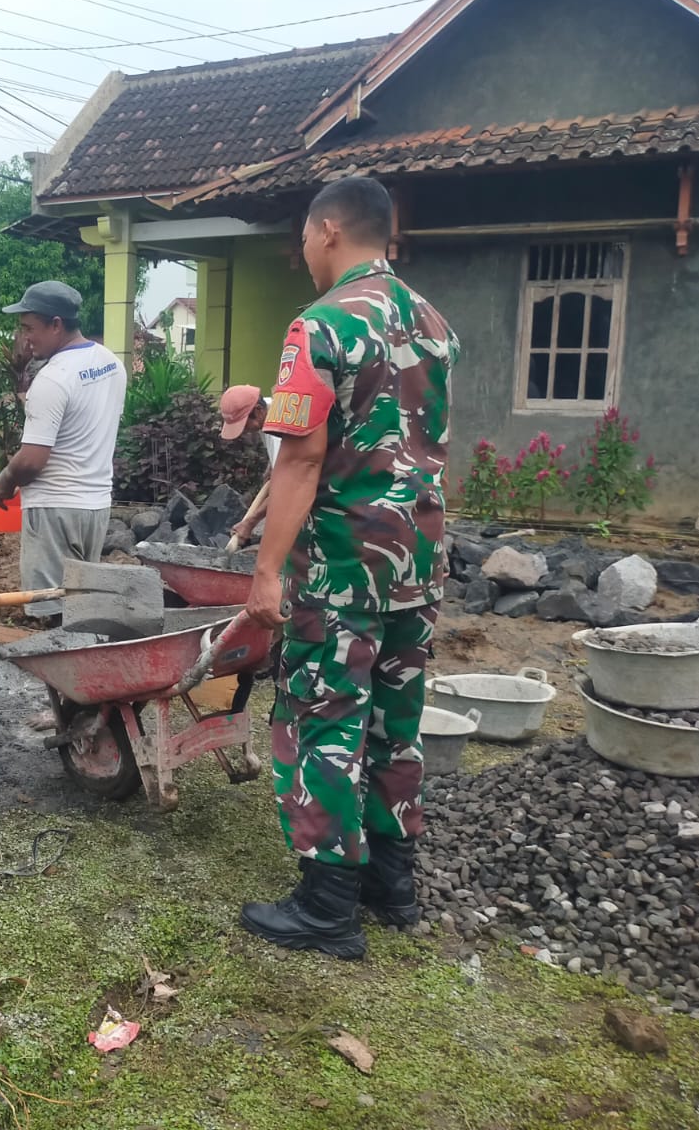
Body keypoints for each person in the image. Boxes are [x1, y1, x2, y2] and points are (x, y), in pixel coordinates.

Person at [239, 175, 459, 959]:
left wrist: (267, 571)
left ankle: (328, 904)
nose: (301, 253)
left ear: (329, 229)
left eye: (302, 237)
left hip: (342, 565)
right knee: (396, 722)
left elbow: (300, 457)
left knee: (325, 715)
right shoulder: (433, 321)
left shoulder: (321, 326)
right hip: (420, 558)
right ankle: (391, 886)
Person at [0, 281, 125, 620]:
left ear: (56, 324)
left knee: (50, 612)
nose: (25, 338)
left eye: (29, 328)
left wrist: (5, 481)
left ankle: (53, 672)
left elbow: (33, 460)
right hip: (95, 505)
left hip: (54, 508)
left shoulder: (53, 379)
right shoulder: (110, 363)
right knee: (80, 606)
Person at [219, 385, 281, 543]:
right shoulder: (267, 411)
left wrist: (250, 522)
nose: (244, 431)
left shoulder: (280, 428)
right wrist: (272, 466)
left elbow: (285, 491)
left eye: (244, 424)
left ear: (258, 410)